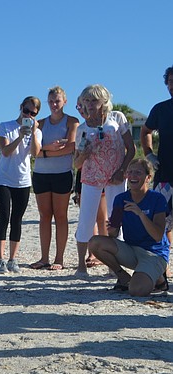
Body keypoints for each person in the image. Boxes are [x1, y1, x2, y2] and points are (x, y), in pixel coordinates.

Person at [74, 84, 135, 275]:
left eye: (94, 101)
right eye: (87, 101)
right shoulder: (82, 129)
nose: (90, 105)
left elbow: (130, 148)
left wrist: (123, 170)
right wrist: (84, 155)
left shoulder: (117, 118)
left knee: (116, 218)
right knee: (86, 219)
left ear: (104, 102)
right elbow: (76, 163)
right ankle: (81, 265)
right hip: (92, 177)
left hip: (116, 176)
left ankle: (115, 265)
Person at [89, 158, 169, 296]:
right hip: (131, 249)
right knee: (95, 243)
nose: (132, 176)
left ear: (148, 177)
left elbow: (157, 236)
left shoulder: (157, 199)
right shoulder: (121, 198)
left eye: (138, 172)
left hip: (154, 253)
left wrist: (140, 214)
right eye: (130, 172)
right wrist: (112, 230)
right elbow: (113, 235)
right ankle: (122, 277)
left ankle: (160, 279)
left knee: (136, 290)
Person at [30, 86, 79, 271]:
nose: (54, 105)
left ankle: (59, 258)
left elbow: (70, 147)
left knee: (60, 216)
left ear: (64, 101)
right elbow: (34, 151)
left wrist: (45, 151)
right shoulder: (40, 123)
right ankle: (44, 258)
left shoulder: (71, 122)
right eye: (50, 101)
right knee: (44, 216)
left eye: (57, 101)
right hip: (41, 174)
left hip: (62, 174)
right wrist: (51, 148)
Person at [0, 96, 42, 273]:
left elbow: (36, 153)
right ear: (21, 108)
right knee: (3, 217)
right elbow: (5, 152)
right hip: (3, 179)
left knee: (17, 220)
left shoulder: (37, 130)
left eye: (33, 113)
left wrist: (34, 132)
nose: (28, 114)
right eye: (26, 110)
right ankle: (0, 258)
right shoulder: (6, 126)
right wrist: (20, 136)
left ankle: (13, 258)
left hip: (23, 180)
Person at [140, 65, 173, 273]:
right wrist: (149, 154)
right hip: (165, 176)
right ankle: (165, 263)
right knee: (163, 222)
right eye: (170, 81)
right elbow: (145, 131)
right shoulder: (160, 109)